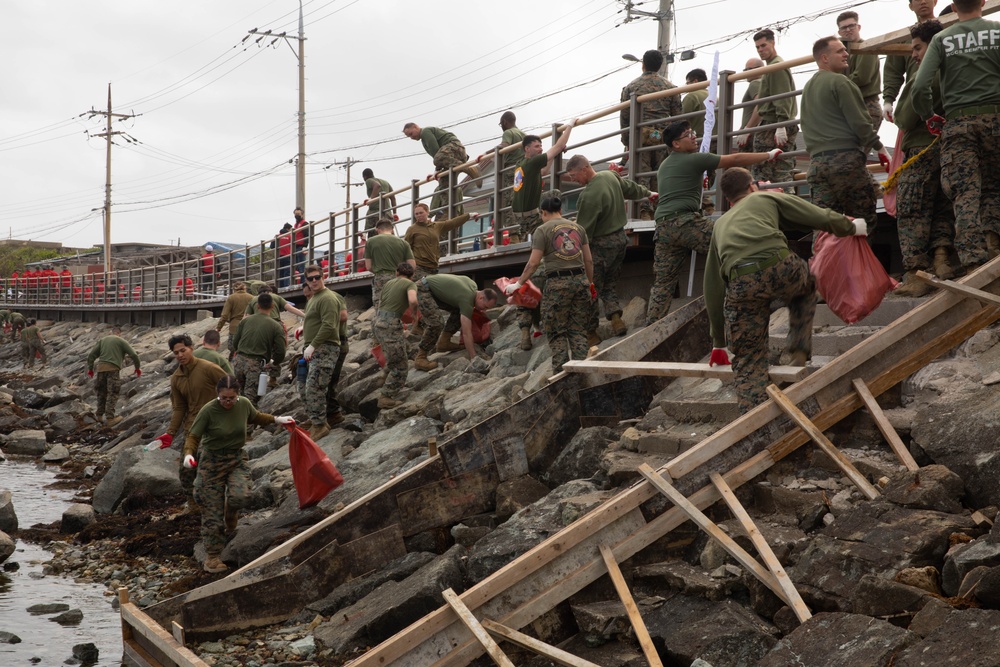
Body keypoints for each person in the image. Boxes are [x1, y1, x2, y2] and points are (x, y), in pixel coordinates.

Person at [704, 168, 865, 413]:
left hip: (740, 282)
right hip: (779, 267)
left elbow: (713, 288)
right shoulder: (763, 197)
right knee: (806, 287)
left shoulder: (719, 225)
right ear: (751, 186)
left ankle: (753, 419)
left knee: (748, 359)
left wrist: (718, 342)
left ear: (728, 200)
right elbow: (814, 214)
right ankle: (799, 349)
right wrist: (851, 228)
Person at [646, 121, 785, 325]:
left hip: (664, 228)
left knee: (663, 283)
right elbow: (735, 159)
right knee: (736, 243)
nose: (694, 136)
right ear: (676, 144)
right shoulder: (692, 160)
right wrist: (769, 155)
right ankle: (759, 296)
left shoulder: (665, 165)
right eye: (688, 135)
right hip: (685, 223)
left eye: (693, 132)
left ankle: (651, 329)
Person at [911, 0, 1000, 272]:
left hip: (958, 123)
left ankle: (972, 258)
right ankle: (994, 242)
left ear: (954, 5)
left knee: (965, 191)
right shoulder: (997, 32)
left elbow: (919, 88)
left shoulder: (941, 39)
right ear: (983, 2)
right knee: (994, 185)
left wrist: (929, 115)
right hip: (996, 119)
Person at [184, 375, 294, 573]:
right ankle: (213, 557)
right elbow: (193, 436)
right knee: (212, 513)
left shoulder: (243, 404)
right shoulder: (208, 410)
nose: (228, 402)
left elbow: (256, 416)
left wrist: (278, 420)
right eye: (224, 398)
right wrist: (189, 455)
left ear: (238, 395)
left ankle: (231, 510)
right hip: (212, 463)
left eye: (231, 398)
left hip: (236, 459)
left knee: (241, 496)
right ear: (218, 395)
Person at [893, 19, 958, 296]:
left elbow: (903, 117)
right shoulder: (957, 69)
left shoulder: (922, 74)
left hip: (920, 149)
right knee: (942, 206)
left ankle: (917, 274)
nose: (914, 54)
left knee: (912, 211)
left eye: (918, 47)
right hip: (949, 148)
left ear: (932, 44)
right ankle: (942, 259)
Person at [801, 36, 890, 233]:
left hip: (816, 165)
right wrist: (881, 148)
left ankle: (824, 264)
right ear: (825, 58)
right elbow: (860, 123)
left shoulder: (808, 87)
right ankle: (859, 264)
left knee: (824, 228)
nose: (846, 54)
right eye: (840, 51)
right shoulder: (841, 82)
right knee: (862, 222)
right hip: (845, 162)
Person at [564, 154, 653, 340]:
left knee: (591, 288)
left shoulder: (588, 196)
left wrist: (570, 252)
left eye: (574, 176)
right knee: (610, 284)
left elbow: (583, 231)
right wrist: (648, 193)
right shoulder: (610, 176)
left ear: (584, 169)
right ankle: (616, 320)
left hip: (600, 247)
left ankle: (590, 333)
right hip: (620, 240)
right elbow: (630, 188)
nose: (574, 180)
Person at [505, 196, 595, 374]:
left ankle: (563, 374)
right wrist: (590, 283)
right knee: (578, 330)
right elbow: (589, 260)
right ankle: (583, 371)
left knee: (556, 331)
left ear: (543, 213)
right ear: (560, 211)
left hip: (557, 283)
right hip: (581, 281)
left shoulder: (542, 230)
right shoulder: (578, 228)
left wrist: (518, 284)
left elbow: (533, 263)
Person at [149, 333, 230, 515]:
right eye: (176, 352)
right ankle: (194, 506)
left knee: (209, 470)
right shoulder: (176, 378)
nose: (180, 355)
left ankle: (219, 507)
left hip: (215, 428)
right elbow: (179, 408)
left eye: (183, 350)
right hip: (192, 429)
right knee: (186, 472)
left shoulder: (209, 368)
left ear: (191, 348)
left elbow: (231, 390)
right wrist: (170, 433)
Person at [620, 50, 682, 220]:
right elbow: (677, 115)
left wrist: (627, 140)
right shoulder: (670, 87)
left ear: (643, 65)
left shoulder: (632, 87)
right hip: (664, 137)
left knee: (642, 176)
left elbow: (625, 116)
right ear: (661, 65)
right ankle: (661, 209)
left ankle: (644, 211)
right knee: (661, 173)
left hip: (641, 137)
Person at [738, 29, 799, 190]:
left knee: (766, 173)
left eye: (763, 45)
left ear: (773, 42)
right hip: (774, 123)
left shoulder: (776, 67)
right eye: (757, 47)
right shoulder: (772, 67)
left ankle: (778, 207)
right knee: (776, 171)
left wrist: (781, 125)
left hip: (773, 124)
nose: (760, 50)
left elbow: (782, 97)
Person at [300, 265, 349, 441]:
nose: (314, 281)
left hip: (325, 348)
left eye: (316, 277)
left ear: (323, 276)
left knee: (315, 386)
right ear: (306, 280)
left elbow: (329, 324)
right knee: (307, 385)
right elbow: (316, 320)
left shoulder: (327, 298)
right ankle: (317, 419)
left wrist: (313, 345)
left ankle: (320, 425)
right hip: (317, 348)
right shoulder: (315, 297)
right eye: (310, 278)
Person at [511, 120, 576, 241]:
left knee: (554, 194)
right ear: (527, 149)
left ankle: (554, 219)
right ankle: (557, 222)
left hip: (523, 212)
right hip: (529, 217)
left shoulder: (521, 163)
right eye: (537, 147)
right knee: (556, 235)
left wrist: (555, 154)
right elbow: (558, 146)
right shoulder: (532, 163)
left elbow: (544, 171)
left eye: (541, 146)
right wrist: (570, 125)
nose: (540, 149)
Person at [402, 122, 481, 218]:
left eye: (411, 134)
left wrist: (437, 169)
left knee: (437, 159)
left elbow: (436, 151)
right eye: (409, 136)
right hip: (450, 156)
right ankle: (447, 211)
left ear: (415, 127)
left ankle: (470, 169)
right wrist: (438, 171)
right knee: (443, 182)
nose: (411, 137)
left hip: (454, 148)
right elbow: (438, 155)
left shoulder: (426, 132)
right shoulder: (423, 140)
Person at [417, 274, 498, 362]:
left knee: (459, 311)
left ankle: (444, 342)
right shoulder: (467, 300)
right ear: (481, 297)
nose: (484, 310)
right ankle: (421, 357)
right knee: (437, 323)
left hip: (432, 288)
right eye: (485, 307)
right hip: (423, 288)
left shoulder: (473, 285)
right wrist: (473, 357)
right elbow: (467, 333)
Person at [883, 0, 940, 126]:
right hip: (916, 104)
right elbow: (893, 71)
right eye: (918, 0)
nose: (923, 2)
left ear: (935, 1)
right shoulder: (903, 38)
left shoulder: (948, 31)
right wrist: (888, 100)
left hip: (946, 101)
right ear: (911, 6)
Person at [372, 262, 420, 409]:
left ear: (396, 273)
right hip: (390, 325)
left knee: (395, 353)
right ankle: (386, 396)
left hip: (378, 322)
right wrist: (414, 314)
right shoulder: (410, 284)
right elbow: (412, 300)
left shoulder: (389, 283)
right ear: (412, 276)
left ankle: (385, 375)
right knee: (401, 366)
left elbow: (381, 303)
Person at [231, 292, 286, 407]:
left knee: (237, 395)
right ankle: (248, 423)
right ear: (272, 306)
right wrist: (275, 362)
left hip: (238, 361)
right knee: (251, 399)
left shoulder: (245, 321)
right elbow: (281, 350)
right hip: (256, 364)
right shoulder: (276, 326)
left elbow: (235, 342)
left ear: (257, 306)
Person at [478, 111, 525, 238]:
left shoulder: (508, 132)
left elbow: (504, 145)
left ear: (504, 122)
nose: (502, 127)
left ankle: (514, 235)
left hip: (510, 170)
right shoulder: (523, 134)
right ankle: (522, 234)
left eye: (501, 124)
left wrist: (487, 153)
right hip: (522, 170)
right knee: (520, 201)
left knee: (506, 203)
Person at [404, 203, 475, 284]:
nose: (418, 215)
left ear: (427, 212)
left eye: (421, 213)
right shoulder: (412, 229)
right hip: (419, 266)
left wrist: (469, 215)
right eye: (416, 214)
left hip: (433, 267)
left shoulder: (436, 226)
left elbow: (452, 223)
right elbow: (405, 247)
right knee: (423, 288)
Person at [836, 11, 882, 132]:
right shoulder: (843, 53)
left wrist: (835, 85)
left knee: (857, 149)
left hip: (866, 105)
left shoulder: (866, 47)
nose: (848, 29)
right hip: (850, 106)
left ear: (858, 27)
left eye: (851, 26)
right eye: (844, 27)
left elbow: (862, 77)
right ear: (839, 32)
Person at [87, 325, 142, 426]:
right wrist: (137, 368)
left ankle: (99, 416)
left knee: (101, 393)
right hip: (113, 370)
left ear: (110, 332)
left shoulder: (102, 340)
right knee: (112, 393)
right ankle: (110, 418)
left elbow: (91, 355)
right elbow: (134, 355)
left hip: (101, 369)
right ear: (119, 333)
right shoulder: (121, 341)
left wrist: (90, 369)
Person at [365, 218, 416, 311]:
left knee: (381, 306)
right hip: (400, 277)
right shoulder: (403, 243)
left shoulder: (370, 241)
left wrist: (379, 271)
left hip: (381, 277)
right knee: (397, 304)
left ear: (377, 229)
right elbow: (412, 265)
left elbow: (368, 266)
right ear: (392, 230)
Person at [216, 281, 253, 356]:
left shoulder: (231, 298)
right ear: (245, 288)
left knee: (233, 348)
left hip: (234, 327)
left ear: (234, 289)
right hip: (248, 327)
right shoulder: (251, 297)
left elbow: (225, 315)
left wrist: (218, 328)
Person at [737, 58, 765, 153]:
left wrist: (747, 129)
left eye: (748, 69)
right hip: (758, 130)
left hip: (752, 133)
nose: (745, 73)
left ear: (760, 69)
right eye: (745, 70)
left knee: (744, 164)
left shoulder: (755, 83)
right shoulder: (766, 83)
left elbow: (760, 105)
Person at [362, 168, 397, 236]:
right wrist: (394, 213)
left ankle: (364, 234)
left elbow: (377, 185)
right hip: (388, 214)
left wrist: (371, 199)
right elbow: (393, 198)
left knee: (374, 236)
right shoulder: (385, 182)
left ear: (364, 177)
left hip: (375, 214)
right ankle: (364, 234)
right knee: (388, 234)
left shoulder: (368, 180)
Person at [292, 208, 310, 280]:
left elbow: (306, 235)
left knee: (301, 265)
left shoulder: (304, 223)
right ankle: (301, 280)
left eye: (298, 214)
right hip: (296, 246)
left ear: (302, 215)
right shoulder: (296, 225)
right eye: (296, 214)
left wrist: (305, 246)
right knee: (297, 265)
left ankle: (303, 281)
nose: (297, 216)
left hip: (301, 246)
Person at [275, 222, 293, 288]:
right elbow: (294, 245)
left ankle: (280, 287)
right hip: (287, 256)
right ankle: (286, 286)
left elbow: (272, 246)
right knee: (287, 272)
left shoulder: (277, 236)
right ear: (287, 229)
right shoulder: (290, 236)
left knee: (280, 273)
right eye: (290, 229)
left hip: (279, 257)